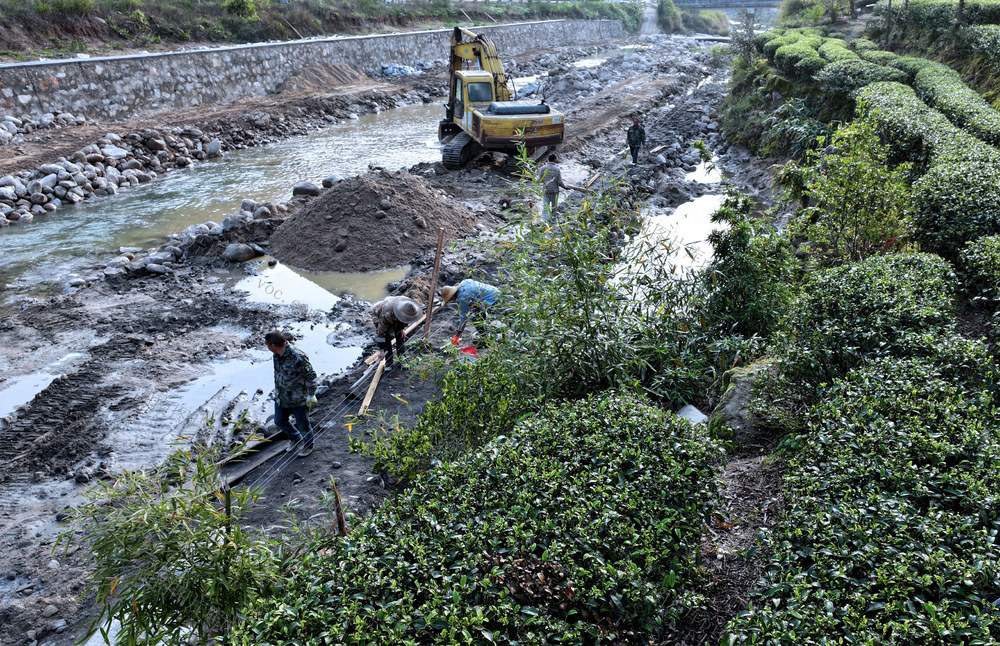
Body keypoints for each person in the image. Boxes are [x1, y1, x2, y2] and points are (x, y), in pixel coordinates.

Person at [265, 330, 318, 457]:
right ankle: (295, 437)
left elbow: (311, 376)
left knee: (303, 424)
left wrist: (311, 395)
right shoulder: (276, 356)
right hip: (282, 396)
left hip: (298, 398)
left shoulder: (297, 356)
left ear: (273, 345)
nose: (267, 347)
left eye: (267, 345)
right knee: (279, 421)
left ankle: (308, 445)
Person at [370, 296, 423, 369]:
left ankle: (402, 360)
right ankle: (389, 363)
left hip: (393, 307)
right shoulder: (386, 315)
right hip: (378, 313)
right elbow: (381, 333)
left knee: (400, 336)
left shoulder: (408, 304)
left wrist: (401, 329)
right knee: (386, 338)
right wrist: (381, 350)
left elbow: (405, 320)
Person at [536, 154, 590, 221]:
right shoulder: (557, 169)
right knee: (554, 207)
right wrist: (565, 188)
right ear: (555, 160)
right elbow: (559, 182)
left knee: (545, 207)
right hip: (554, 191)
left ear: (548, 160)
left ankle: (544, 221)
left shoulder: (542, 169)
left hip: (546, 190)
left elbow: (538, 181)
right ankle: (553, 221)